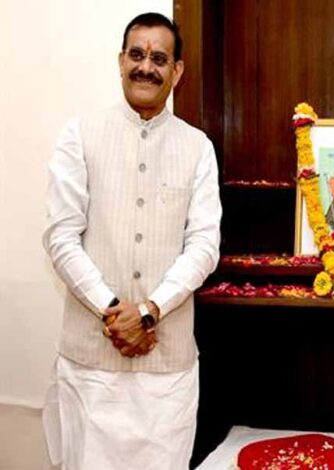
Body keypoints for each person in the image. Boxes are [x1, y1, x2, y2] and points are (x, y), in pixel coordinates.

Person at [42, 12, 221, 469]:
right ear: (121, 61)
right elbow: (61, 236)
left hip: (167, 371)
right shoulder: (79, 135)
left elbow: (203, 246)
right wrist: (112, 310)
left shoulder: (198, 147)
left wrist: (149, 311)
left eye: (159, 59)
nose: (146, 67)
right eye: (137, 55)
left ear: (176, 71)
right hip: (90, 368)